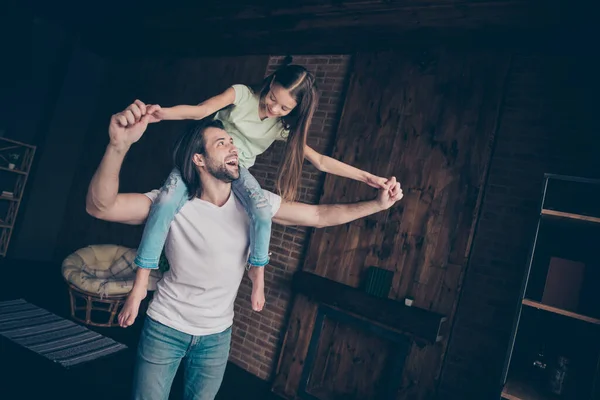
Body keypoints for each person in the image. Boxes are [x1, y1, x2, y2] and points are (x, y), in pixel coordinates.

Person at [85, 100, 403, 400]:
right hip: (165, 327)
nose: (233, 146)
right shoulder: (169, 204)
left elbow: (318, 216)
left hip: (217, 336)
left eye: (232, 141)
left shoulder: (255, 203)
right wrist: (118, 146)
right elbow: (101, 207)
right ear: (198, 159)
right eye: (221, 143)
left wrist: (377, 204)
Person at [127, 64, 390, 318]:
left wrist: (367, 177)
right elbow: (201, 111)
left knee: (262, 211)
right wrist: (160, 114)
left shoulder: (280, 127)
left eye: (284, 107)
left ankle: (256, 270)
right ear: (272, 80)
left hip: (235, 171)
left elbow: (320, 161)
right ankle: (140, 283)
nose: (273, 108)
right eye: (273, 98)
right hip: (201, 160)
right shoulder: (241, 95)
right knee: (164, 203)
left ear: (295, 110)